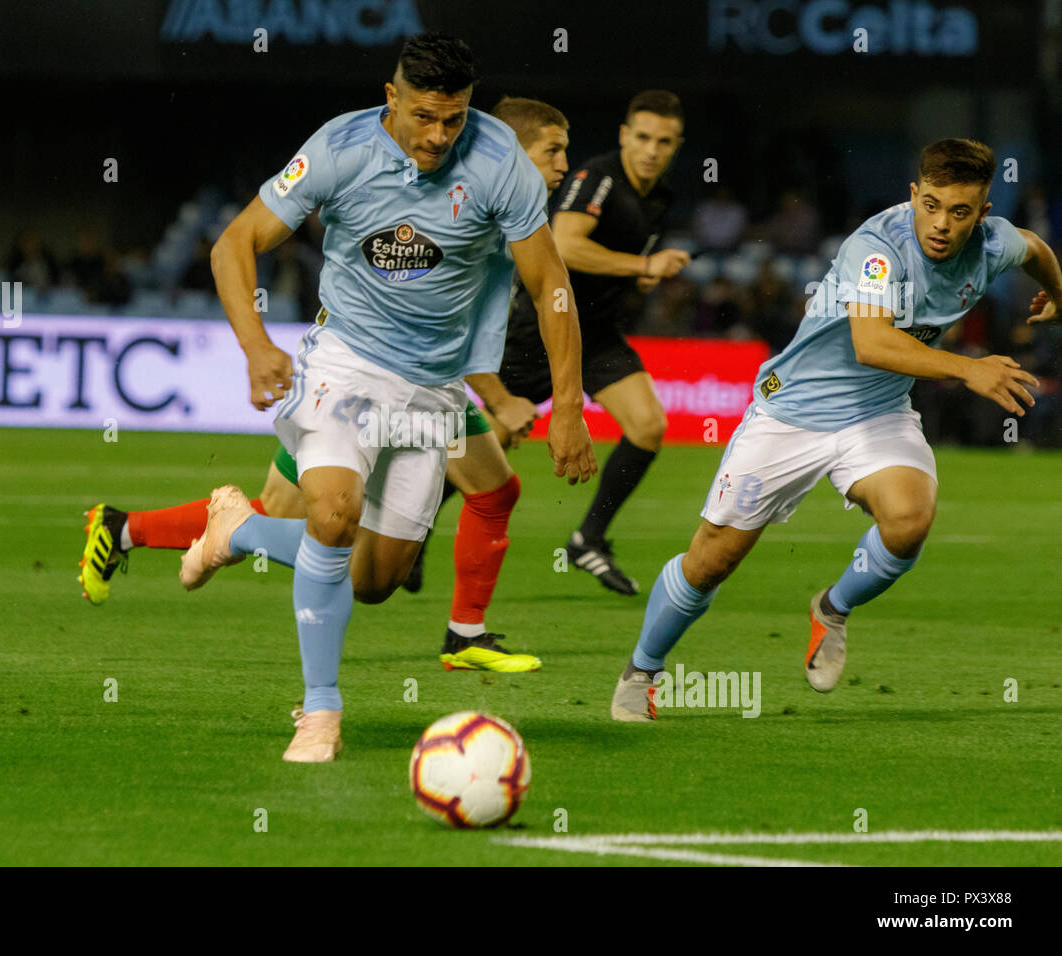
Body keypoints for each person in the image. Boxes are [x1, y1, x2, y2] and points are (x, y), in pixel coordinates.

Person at [162, 34, 595, 762]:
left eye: (453, 120)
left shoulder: (498, 165)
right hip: (346, 364)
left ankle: (238, 530)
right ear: (391, 98)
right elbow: (234, 242)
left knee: (373, 582)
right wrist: (257, 345)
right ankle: (321, 713)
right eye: (425, 117)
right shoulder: (339, 149)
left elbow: (550, 283)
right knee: (333, 515)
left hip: (432, 388)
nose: (438, 137)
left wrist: (571, 407)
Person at [78, 96, 574, 677]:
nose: (565, 165)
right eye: (553, 151)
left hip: (421, 384)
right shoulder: (454, 187)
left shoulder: (506, 203)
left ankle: (464, 634)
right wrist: (498, 395)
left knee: (487, 494)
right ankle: (142, 529)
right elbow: (418, 310)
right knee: (314, 525)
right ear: (512, 150)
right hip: (352, 377)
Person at [610, 138, 1062, 722]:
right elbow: (870, 342)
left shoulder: (992, 242)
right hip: (789, 414)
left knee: (909, 520)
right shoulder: (877, 248)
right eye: (931, 205)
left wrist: (1057, 294)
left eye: (960, 212)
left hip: (877, 414)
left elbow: (1033, 248)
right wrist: (968, 368)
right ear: (913, 195)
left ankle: (832, 608)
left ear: (982, 211)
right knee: (711, 562)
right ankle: (642, 671)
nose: (942, 225)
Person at [499, 90, 692, 595]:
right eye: (644, 137)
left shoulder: (661, 195)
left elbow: (611, 260)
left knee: (649, 425)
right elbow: (565, 245)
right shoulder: (598, 177)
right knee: (494, 445)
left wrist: (640, 277)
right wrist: (644, 266)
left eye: (665, 141)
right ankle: (420, 526)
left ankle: (588, 538)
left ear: (677, 145)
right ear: (625, 135)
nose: (652, 150)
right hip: (542, 329)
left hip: (598, 333)